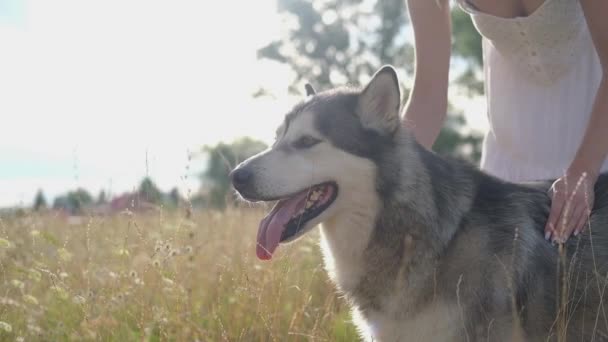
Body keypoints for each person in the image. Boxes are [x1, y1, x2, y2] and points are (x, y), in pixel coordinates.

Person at [403, 0, 608, 243]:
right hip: (509, 166)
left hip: (596, 148)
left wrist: (583, 173)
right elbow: (428, 98)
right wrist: (390, 177)